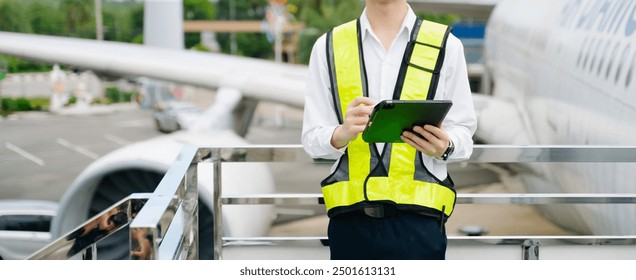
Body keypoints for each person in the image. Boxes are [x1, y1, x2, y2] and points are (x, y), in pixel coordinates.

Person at [301, 0, 477, 260]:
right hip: (350, 224)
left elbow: (463, 131)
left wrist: (445, 145)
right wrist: (342, 133)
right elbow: (311, 137)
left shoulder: (446, 45)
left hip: (421, 225)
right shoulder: (328, 46)